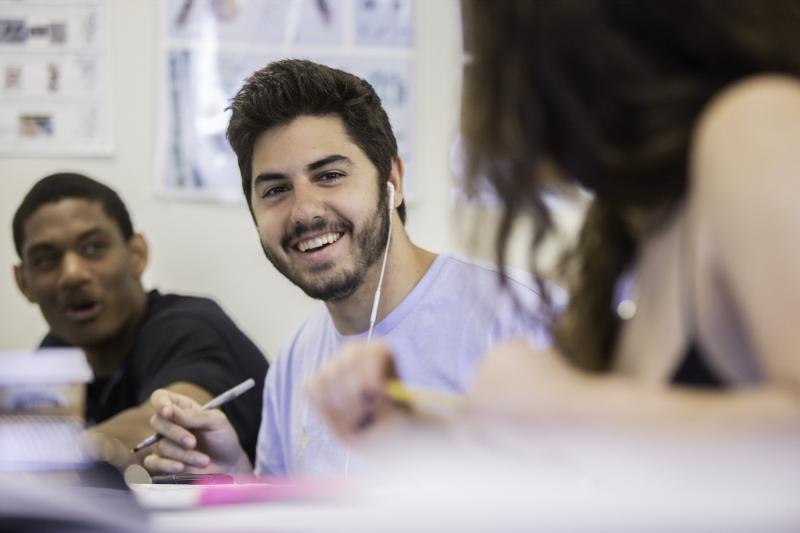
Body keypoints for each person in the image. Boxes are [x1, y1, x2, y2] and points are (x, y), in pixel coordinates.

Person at [305, 0, 800, 451]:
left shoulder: (752, 126)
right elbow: (656, 467)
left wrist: (569, 407)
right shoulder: (633, 226)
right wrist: (413, 434)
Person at [143, 59, 551, 477]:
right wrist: (232, 477)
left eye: (330, 175)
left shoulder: (517, 317)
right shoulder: (292, 363)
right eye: (276, 190)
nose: (304, 211)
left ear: (392, 179)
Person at [12, 172, 269, 464]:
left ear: (137, 254)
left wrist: (39, 457)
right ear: (23, 283)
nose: (72, 274)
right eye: (47, 259)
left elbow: (173, 424)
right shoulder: (56, 353)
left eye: (93, 248)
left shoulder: (190, 327)